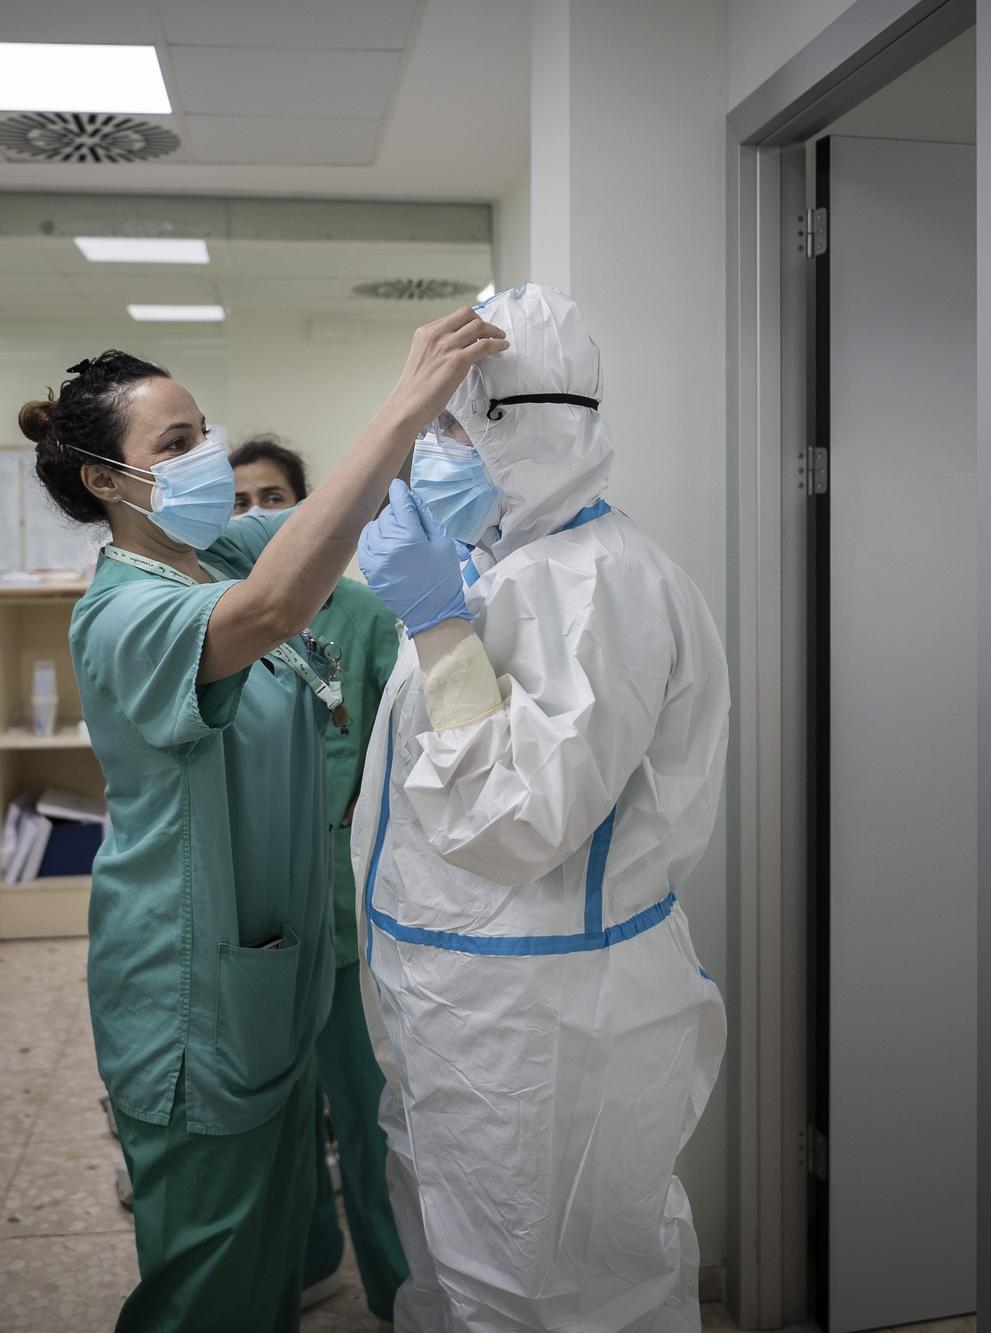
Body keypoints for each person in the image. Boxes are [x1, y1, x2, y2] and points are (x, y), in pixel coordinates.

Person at [19, 306, 505, 1333]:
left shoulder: (216, 552)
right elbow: (281, 607)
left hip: (267, 976)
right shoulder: (127, 612)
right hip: (188, 993)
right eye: (176, 444)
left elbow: (331, 515)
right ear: (106, 483)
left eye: (203, 429)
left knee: (267, 1265)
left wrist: (453, 438)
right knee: (210, 1293)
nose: (206, 455)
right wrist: (402, 400)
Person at [352, 284, 729, 1332]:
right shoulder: (503, 568)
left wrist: (432, 625)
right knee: (460, 1274)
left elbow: (517, 817)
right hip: (465, 1004)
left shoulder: (598, 584)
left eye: (446, 426)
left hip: (546, 1027)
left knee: (556, 1296)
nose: (428, 451)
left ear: (520, 426)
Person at [226, 435, 410, 1322]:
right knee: (285, 1119)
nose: (257, 513)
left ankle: (395, 1289)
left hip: (349, 911)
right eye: (240, 500)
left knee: (369, 1118)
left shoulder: (367, 618)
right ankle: (305, 1267)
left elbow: (402, 762)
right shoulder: (220, 619)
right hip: (260, 912)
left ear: (309, 507)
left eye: (274, 496)